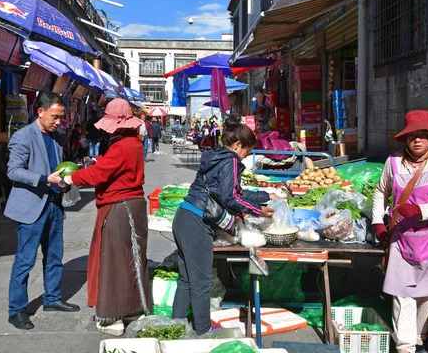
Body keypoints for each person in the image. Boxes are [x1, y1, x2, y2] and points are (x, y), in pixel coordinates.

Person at [171, 116, 279, 335]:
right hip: (197, 222)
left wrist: (265, 195)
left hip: (183, 217)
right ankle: (203, 331)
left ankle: (176, 327)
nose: (246, 157)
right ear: (237, 145)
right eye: (246, 152)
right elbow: (230, 198)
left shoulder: (215, 156)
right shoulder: (229, 160)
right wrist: (258, 210)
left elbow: (232, 193)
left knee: (187, 279)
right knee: (201, 282)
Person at [372, 110, 428, 353]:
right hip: (402, 240)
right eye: (412, 136)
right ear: (405, 139)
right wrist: (378, 222)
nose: (417, 140)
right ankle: (406, 346)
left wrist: (419, 210)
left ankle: (419, 335)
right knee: (403, 293)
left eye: (423, 135)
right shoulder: (393, 163)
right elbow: (381, 192)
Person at [63, 99, 150, 335]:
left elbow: (100, 173)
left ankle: (113, 317)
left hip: (120, 207)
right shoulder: (132, 143)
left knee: (113, 263)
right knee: (131, 260)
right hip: (130, 207)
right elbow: (110, 167)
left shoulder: (123, 146)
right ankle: (133, 307)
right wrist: (97, 162)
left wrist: (72, 178)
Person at [5, 92, 79, 331]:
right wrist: (43, 179)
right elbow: (13, 171)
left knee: (55, 256)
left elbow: (57, 170)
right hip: (31, 208)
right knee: (25, 262)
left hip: (54, 205)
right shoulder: (22, 137)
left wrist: (65, 181)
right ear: (40, 112)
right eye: (55, 117)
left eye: (61, 117)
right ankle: (16, 310)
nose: (59, 122)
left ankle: (52, 298)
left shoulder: (57, 137)